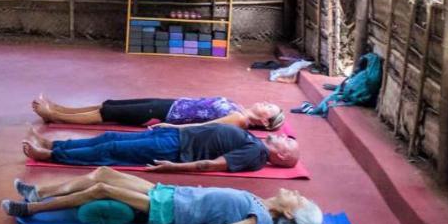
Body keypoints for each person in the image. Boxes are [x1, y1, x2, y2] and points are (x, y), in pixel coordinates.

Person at [2, 167, 324, 224]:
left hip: (171, 212)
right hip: (172, 193)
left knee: (101, 189)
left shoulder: (263, 219)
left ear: (292, 214)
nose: (297, 193)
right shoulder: (263, 202)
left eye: (301, 199)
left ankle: (31, 210)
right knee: (103, 174)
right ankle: (37, 191)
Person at [21, 123, 299, 172]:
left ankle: (52, 155)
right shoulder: (255, 142)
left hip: (175, 150)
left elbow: (213, 165)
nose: (284, 137)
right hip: (175, 136)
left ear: (282, 154)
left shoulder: (257, 154)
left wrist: (176, 168)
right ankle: (56, 144)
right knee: (109, 137)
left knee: (112, 150)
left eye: (287, 142)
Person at [31, 94, 285, 131]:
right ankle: (58, 109)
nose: (264, 103)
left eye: (268, 108)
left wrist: (171, 128)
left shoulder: (239, 119)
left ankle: (55, 116)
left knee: (107, 113)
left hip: (164, 115)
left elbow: (205, 128)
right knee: (110, 104)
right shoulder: (240, 108)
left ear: (264, 120)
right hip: (168, 103)